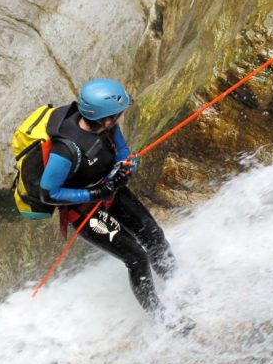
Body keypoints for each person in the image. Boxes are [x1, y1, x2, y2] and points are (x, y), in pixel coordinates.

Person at [38, 79, 192, 333]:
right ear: (105, 118)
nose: (121, 117)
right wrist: (96, 192)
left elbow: (122, 152)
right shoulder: (65, 151)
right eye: (118, 114)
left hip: (110, 192)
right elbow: (49, 193)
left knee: (154, 236)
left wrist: (127, 167)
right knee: (136, 257)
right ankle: (160, 318)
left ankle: (178, 284)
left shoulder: (106, 127)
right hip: (87, 212)